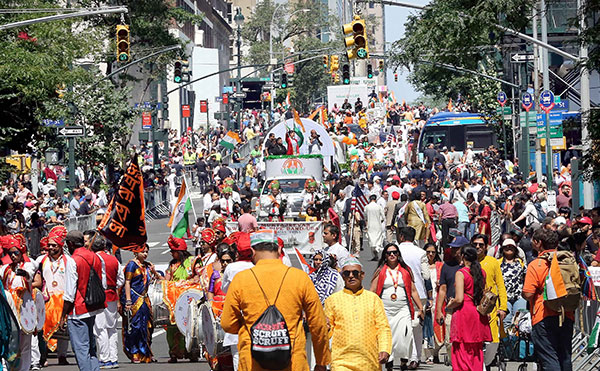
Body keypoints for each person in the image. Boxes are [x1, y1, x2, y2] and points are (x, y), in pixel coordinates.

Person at [221, 229, 331, 371]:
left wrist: (250, 325)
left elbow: (227, 324)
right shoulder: (300, 278)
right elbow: (318, 324)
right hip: (293, 361)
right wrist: (321, 361)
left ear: (253, 252)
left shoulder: (241, 280)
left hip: (252, 361)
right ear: (279, 250)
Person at [325, 256, 392, 371]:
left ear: (362, 275)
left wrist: (385, 349)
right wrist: (323, 327)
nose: (351, 276)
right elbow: (327, 330)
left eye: (355, 273)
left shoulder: (373, 299)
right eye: (347, 273)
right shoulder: (332, 300)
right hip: (341, 361)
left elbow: (383, 327)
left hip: (369, 361)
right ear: (342, 276)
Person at [523, 229, 574, 370]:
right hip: (567, 314)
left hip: (543, 315)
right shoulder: (568, 261)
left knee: (549, 357)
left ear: (539, 243)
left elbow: (528, 294)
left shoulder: (537, 264)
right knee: (565, 357)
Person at [370, 244, 424, 371]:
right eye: (389, 253)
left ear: (398, 254)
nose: (392, 255)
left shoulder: (406, 271)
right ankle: (389, 362)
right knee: (389, 336)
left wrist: (420, 308)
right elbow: (372, 290)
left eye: (394, 252)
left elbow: (414, 291)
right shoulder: (380, 270)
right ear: (385, 256)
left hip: (403, 309)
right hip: (385, 310)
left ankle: (404, 361)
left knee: (405, 335)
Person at [59, 230, 105, 371]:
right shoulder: (97, 257)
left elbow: (69, 294)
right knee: (91, 347)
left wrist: (63, 316)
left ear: (70, 244)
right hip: (93, 306)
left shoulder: (73, 260)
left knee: (81, 349)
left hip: (78, 310)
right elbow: (102, 282)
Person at [445, 245, 492, 370]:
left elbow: (459, 299)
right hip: (477, 312)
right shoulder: (482, 272)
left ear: (463, 256)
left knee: (461, 348)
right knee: (475, 349)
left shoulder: (461, 273)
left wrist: (450, 305)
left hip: (464, 312)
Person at [87, 232, 124, 369]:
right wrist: (112, 286)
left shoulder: (93, 259)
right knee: (111, 328)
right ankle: (113, 358)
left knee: (100, 328)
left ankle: (105, 358)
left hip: (99, 296)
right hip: (112, 295)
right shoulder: (113, 259)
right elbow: (121, 279)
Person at [0, 235, 37, 371]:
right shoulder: (5, 268)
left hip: (25, 308)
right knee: (10, 339)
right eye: (11, 253)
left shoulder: (28, 265)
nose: (13, 256)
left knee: (25, 344)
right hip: (9, 309)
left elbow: (29, 274)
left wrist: (23, 273)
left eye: (16, 253)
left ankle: (25, 369)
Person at [396, 227, 430, 368]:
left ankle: (405, 356)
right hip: (419, 293)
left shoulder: (394, 250)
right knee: (417, 326)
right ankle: (415, 357)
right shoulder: (421, 253)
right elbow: (427, 275)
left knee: (402, 325)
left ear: (402, 237)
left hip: (398, 292)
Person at [472, 233, 507, 368]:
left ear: (486, 247)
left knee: (493, 341)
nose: (478, 247)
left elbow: (500, 285)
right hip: (473, 307)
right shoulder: (467, 262)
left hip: (491, 309)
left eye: (481, 244)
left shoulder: (493, 262)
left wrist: (503, 307)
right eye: (475, 244)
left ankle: (485, 363)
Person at [121, 244, 161, 363]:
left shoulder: (148, 266)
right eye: (143, 251)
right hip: (134, 298)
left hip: (145, 299)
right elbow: (127, 283)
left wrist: (154, 271)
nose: (145, 254)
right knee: (135, 327)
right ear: (135, 252)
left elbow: (160, 280)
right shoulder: (132, 265)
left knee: (148, 327)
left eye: (147, 252)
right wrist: (128, 300)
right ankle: (134, 352)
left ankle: (145, 352)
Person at [435, 235, 469, 365]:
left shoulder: (472, 267)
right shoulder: (447, 266)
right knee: (449, 341)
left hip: (467, 309)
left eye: (457, 249)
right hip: (451, 310)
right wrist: (439, 311)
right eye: (453, 249)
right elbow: (442, 289)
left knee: (466, 341)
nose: (454, 251)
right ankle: (455, 364)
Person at [164, 235, 196, 362]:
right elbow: (167, 281)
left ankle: (191, 352)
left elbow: (199, 276)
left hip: (189, 299)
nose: (171, 254)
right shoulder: (172, 265)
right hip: (174, 300)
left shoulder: (193, 262)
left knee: (191, 326)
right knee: (172, 327)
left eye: (173, 251)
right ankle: (174, 353)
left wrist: (186, 283)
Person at [497, 238, 526, 328]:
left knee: (520, 321)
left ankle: (518, 341)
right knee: (506, 321)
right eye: (506, 247)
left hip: (519, 296)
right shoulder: (498, 263)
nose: (509, 249)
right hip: (504, 298)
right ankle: (507, 341)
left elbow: (526, 277)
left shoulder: (521, 263)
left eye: (511, 247)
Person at [365, 194, 386, 261]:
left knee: (371, 239)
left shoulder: (367, 207)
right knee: (378, 238)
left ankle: (375, 253)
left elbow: (365, 217)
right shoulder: (378, 207)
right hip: (377, 224)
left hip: (370, 225)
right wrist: (381, 220)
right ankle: (377, 249)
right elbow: (383, 216)